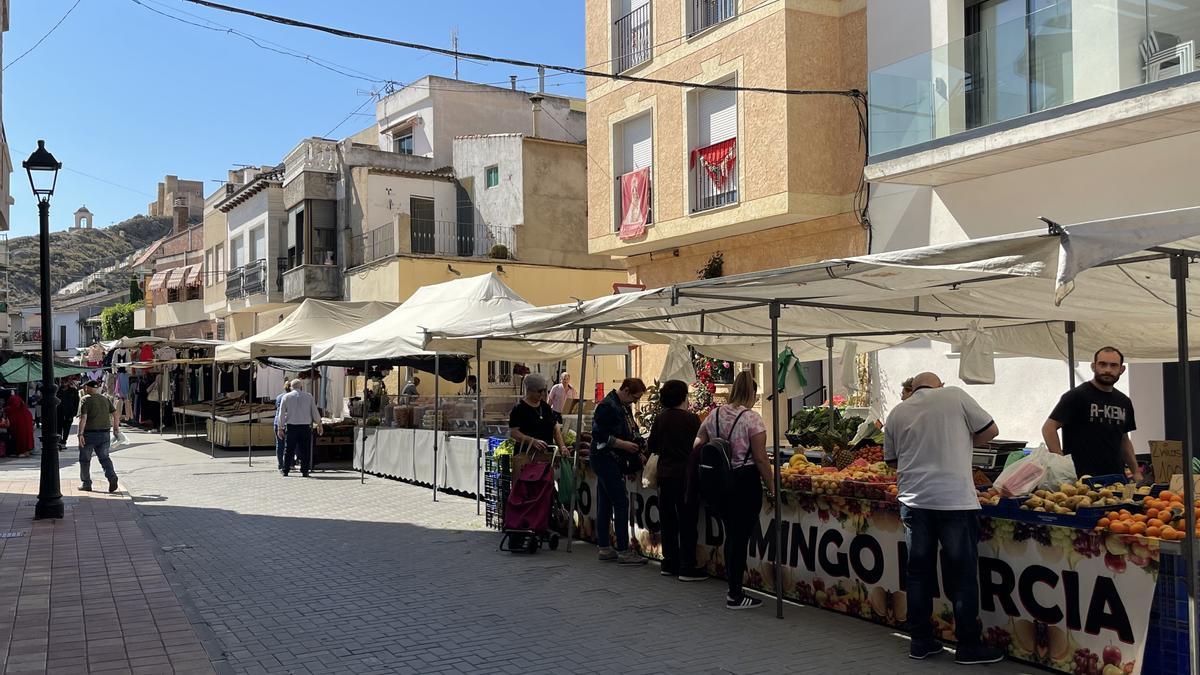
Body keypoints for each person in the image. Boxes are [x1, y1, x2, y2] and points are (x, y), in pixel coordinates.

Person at [884, 372, 1002, 665]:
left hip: (914, 501)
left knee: (918, 574)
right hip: (955, 500)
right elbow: (991, 430)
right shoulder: (955, 396)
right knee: (961, 574)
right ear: (940, 385)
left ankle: (921, 641)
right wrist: (961, 441)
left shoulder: (898, 411)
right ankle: (968, 645)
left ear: (912, 388)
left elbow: (892, 460)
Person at [694, 371, 774, 610]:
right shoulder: (752, 419)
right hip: (744, 481)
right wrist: (772, 487)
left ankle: (734, 586)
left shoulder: (714, 414)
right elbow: (760, 459)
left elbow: (697, 445)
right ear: (751, 392)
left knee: (731, 535)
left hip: (719, 483)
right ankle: (735, 593)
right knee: (739, 538)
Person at [1042, 346, 1142, 481]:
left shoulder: (1124, 402)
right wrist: (1062, 464)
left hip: (1115, 478)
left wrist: (1135, 471)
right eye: (1102, 364)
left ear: (1121, 369)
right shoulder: (1076, 396)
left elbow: (1124, 439)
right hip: (1080, 479)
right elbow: (1049, 428)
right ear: (1093, 367)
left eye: (1113, 365)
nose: (1107, 370)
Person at [648, 380, 705, 581]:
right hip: (686, 476)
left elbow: (652, 445)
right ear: (684, 396)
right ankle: (687, 565)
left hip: (665, 474)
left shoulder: (660, 419)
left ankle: (669, 561)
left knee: (668, 520)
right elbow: (699, 448)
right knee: (687, 521)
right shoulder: (692, 420)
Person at [590, 377, 649, 566]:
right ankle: (623, 550)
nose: (635, 402)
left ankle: (605, 547)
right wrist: (625, 445)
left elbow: (632, 430)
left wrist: (638, 446)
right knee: (620, 502)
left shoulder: (622, 406)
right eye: (634, 398)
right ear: (625, 390)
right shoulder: (608, 406)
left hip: (609, 460)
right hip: (605, 459)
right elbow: (599, 436)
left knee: (605, 502)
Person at [77, 380, 120, 493]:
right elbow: (115, 414)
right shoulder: (105, 399)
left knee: (85, 460)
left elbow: (83, 418)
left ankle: (86, 483)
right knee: (105, 458)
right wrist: (116, 429)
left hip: (89, 434)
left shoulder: (85, 399)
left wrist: (80, 434)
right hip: (105, 434)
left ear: (87, 387)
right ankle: (112, 477)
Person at [507, 373, 567, 452]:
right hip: (527, 455)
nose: (542, 394)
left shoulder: (546, 407)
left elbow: (555, 429)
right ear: (529, 390)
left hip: (546, 454)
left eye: (544, 390)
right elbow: (514, 432)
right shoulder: (519, 409)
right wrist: (531, 441)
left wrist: (562, 446)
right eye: (539, 391)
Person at [278, 379, 324, 477]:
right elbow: (314, 411)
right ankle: (305, 470)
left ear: (291, 387)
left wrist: (280, 427)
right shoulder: (308, 396)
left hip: (291, 427)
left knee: (289, 449)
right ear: (301, 386)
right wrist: (319, 424)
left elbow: (281, 414)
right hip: (305, 427)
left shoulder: (286, 397)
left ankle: (285, 470)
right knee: (305, 449)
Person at [5, 393, 34, 459]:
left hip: (20, 430)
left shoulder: (12, 410)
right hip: (26, 430)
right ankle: (25, 451)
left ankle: (23, 451)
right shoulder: (25, 411)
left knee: (21, 437)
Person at [273, 379, 293, 473]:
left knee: (279, 444)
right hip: (288, 422)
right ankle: (290, 463)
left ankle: (280, 464)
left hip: (277, 422)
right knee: (290, 444)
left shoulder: (279, 397)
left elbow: (276, 408)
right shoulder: (292, 397)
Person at [57, 379, 80, 448]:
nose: (63, 383)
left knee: (67, 428)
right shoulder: (57, 391)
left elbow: (77, 402)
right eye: (62, 382)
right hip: (59, 412)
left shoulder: (73, 391)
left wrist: (75, 413)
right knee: (58, 428)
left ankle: (64, 441)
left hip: (69, 413)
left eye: (65, 381)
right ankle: (59, 442)